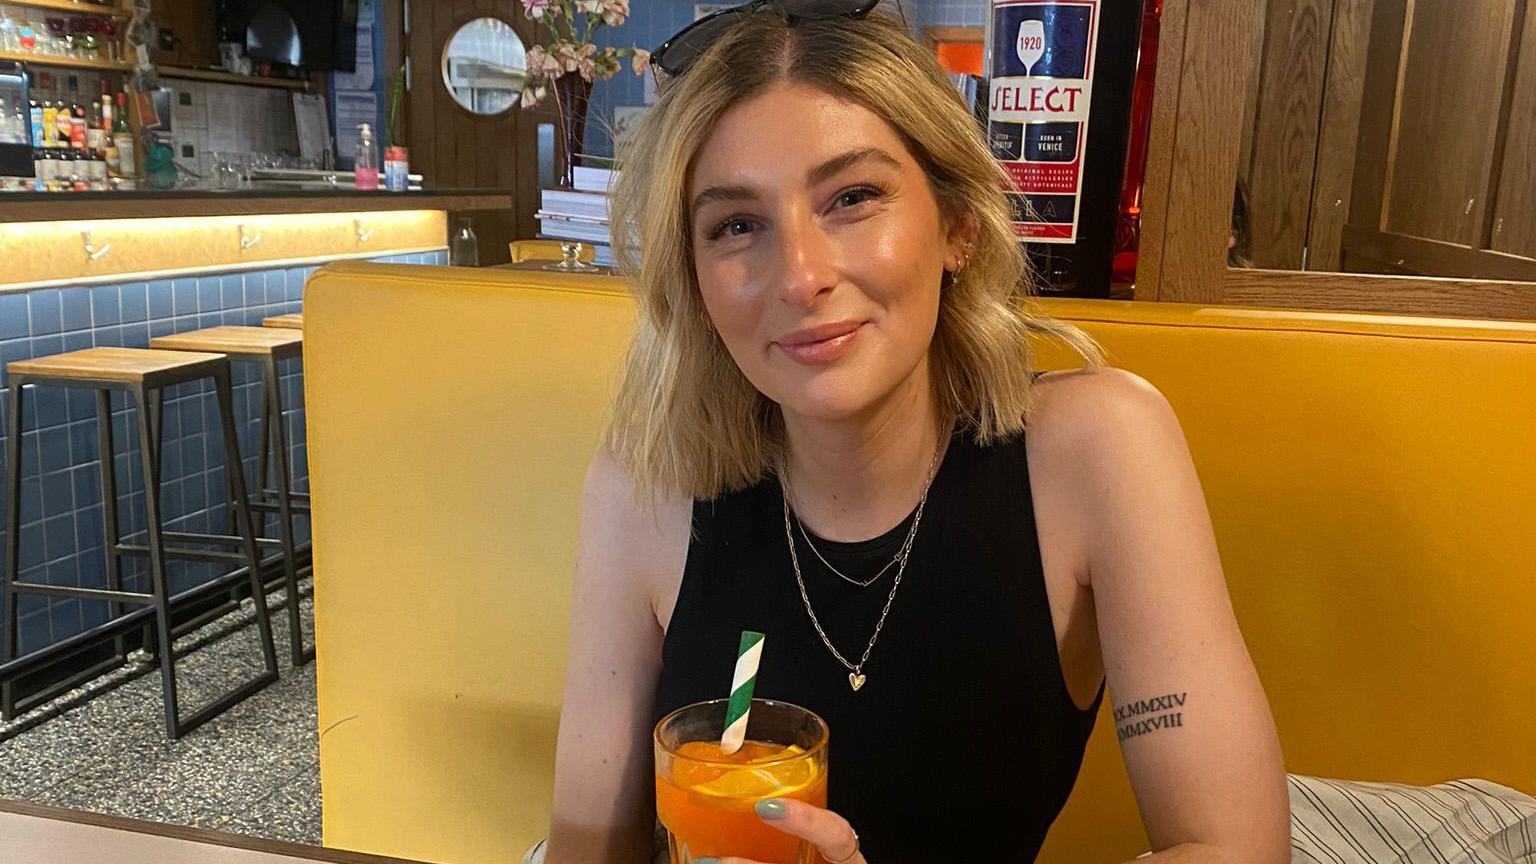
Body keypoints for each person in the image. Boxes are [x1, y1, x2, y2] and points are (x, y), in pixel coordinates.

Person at [546, 3, 1288, 862]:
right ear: (695, 278)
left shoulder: (1098, 451)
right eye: (736, 226)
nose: (800, 276)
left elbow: (1234, 849)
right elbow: (586, 852)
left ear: (958, 226)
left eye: (853, 198)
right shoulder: (645, 490)